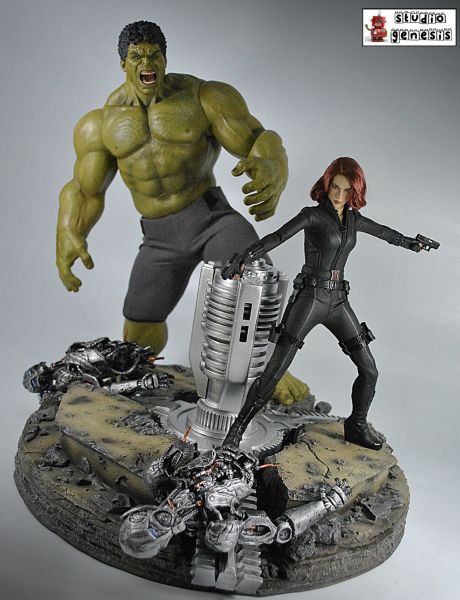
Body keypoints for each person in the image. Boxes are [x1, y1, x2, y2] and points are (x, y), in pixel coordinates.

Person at [55, 21, 307, 404]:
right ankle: (136, 379)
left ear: (165, 58)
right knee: (140, 322)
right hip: (159, 238)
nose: (146, 63)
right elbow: (84, 190)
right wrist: (68, 231)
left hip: (212, 220)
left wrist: (274, 163)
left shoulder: (204, 97)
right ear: (123, 63)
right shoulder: (101, 125)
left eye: (154, 55)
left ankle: (272, 366)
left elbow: (258, 139)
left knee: (255, 283)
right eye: (137, 56)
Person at [222, 157, 430, 450]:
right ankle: (236, 431)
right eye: (335, 187)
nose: (339, 195)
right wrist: (246, 256)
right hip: (310, 298)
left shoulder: (354, 220)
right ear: (326, 184)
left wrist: (412, 243)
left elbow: (385, 233)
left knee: (369, 369)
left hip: (338, 301)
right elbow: (278, 236)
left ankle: (356, 426)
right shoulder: (313, 216)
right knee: (275, 371)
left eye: (346, 190)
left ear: (355, 191)